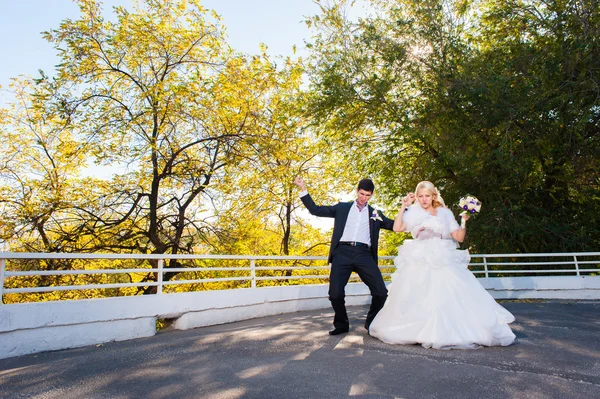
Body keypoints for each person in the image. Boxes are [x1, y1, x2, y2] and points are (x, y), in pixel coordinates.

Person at [369, 181, 516, 349]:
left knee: (447, 291)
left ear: (433, 196)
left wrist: (464, 220)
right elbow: (397, 228)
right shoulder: (413, 212)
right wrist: (404, 206)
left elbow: (459, 238)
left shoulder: (444, 213)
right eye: (421, 196)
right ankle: (416, 330)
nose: (424, 199)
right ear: (417, 197)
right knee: (415, 292)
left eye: (427, 196)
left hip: (441, 254)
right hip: (419, 255)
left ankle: (448, 331)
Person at [294, 176, 395, 335]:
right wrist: (303, 189)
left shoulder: (375, 213)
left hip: (364, 254)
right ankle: (341, 324)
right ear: (357, 191)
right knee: (335, 294)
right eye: (361, 194)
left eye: (367, 195)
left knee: (381, 292)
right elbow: (316, 210)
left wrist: (408, 210)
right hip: (342, 252)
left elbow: (393, 225)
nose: (364, 198)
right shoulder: (342, 208)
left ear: (372, 195)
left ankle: (371, 322)